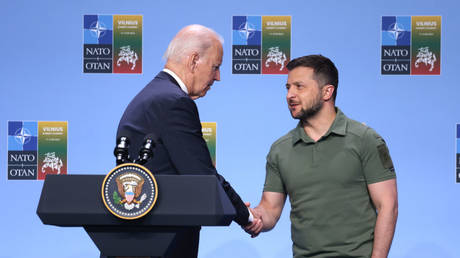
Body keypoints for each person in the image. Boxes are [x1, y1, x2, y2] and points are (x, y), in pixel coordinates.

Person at [117, 24, 254, 257]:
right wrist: (246, 216)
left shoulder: (151, 95)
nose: (218, 77)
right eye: (215, 67)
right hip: (160, 242)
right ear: (193, 60)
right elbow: (201, 176)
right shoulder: (175, 103)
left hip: (137, 239)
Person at [245, 55, 398, 258]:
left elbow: (388, 205)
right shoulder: (280, 149)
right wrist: (254, 217)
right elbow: (270, 210)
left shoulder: (365, 139)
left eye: (299, 87)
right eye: (288, 87)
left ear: (327, 91)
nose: (290, 95)